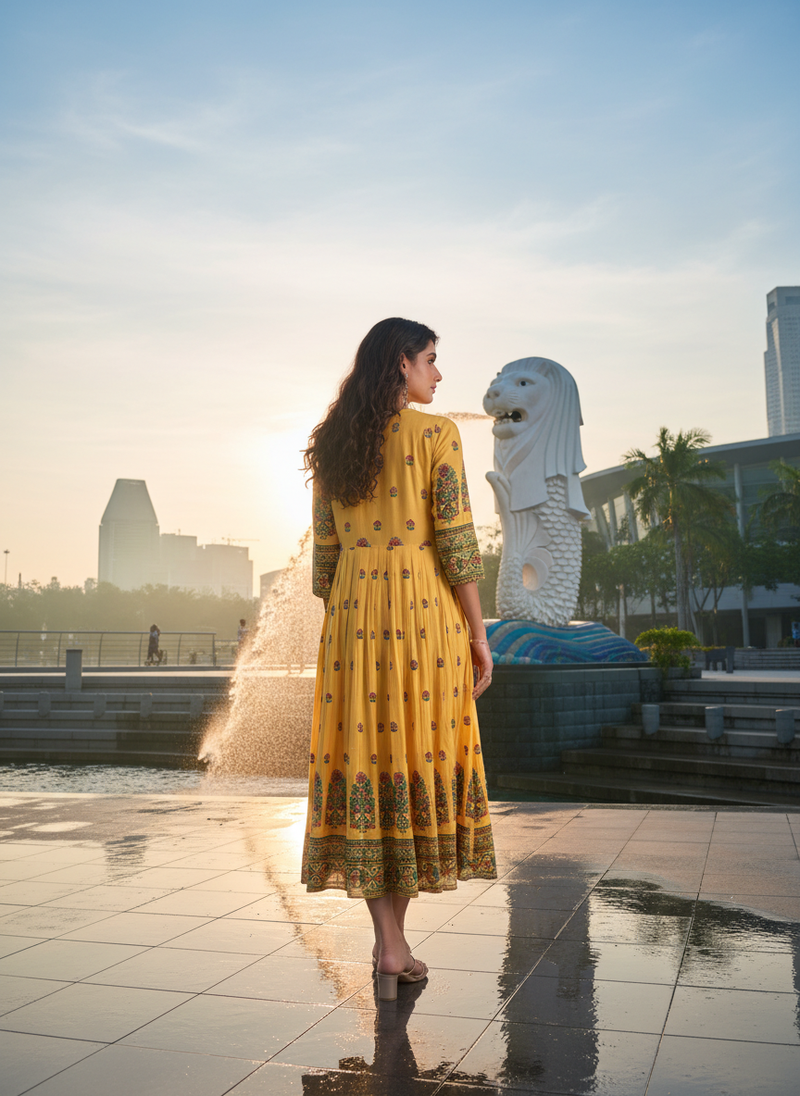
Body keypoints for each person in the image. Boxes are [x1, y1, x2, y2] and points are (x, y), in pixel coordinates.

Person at [301, 317, 496, 1002]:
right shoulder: (436, 434)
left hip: (352, 619)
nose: (438, 375)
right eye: (431, 360)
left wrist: (356, 598)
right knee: (415, 758)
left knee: (367, 762)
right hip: (423, 616)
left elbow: (324, 561)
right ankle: (392, 946)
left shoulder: (332, 442)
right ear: (402, 364)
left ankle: (391, 943)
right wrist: (478, 634)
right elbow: (458, 543)